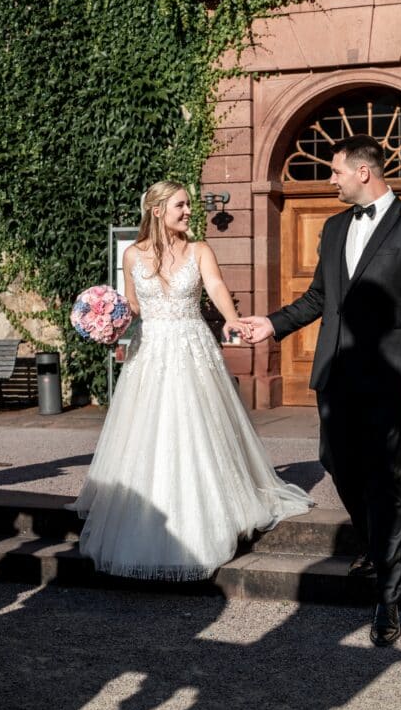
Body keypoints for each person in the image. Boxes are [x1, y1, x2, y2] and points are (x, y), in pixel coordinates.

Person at [241, 136, 401, 646]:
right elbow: (318, 297)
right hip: (335, 370)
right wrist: (272, 324)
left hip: (392, 376)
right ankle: (378, 542)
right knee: (335, 459)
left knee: (387, 477)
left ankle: (388, 595)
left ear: (363, 172)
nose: (329, 180)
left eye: (335, 172)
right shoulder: (334, 228)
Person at [73, 180, 312, 580]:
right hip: (149, 352)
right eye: (181, 206)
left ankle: (209, 510)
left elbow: (216, 286)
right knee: (148, 433)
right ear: (158, 209)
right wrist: (109, 323)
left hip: (191, 347)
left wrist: (233, 320)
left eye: (189, 206)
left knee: (196, 427)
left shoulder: (200, 250)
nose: (189, 212)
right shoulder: (133, 255)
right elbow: (132, 304)